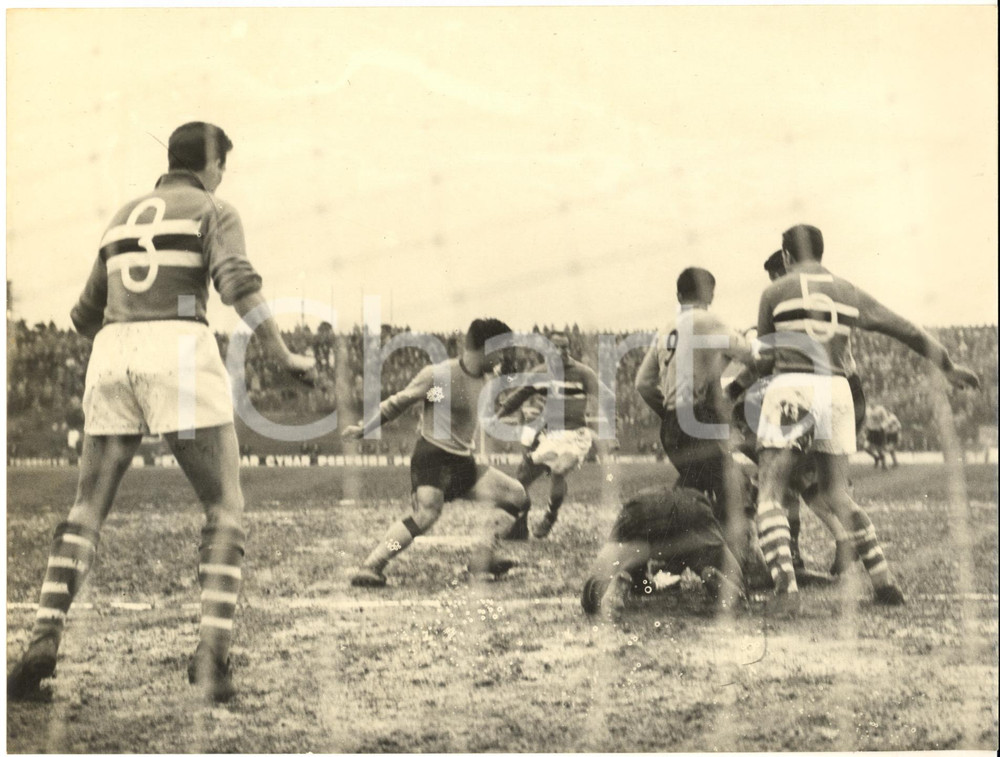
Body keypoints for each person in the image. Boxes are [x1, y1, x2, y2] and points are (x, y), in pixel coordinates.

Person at [6, 122, 316, 704]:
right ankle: (212, 656)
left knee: (85, 509)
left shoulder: (122, 215)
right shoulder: (213, 208)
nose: (223, 175)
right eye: (223, 164)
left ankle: (42, 640)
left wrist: (129, 340)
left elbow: (81, 314)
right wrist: (282, 352)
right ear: (211, 163)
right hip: (179, 346)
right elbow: (236, 284)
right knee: (225, 507)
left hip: (113, 349)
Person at [754, 224, 979, 613]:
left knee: (770, 492)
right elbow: (905, 328)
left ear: (787, 257)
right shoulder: (848, 291)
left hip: (793, 386)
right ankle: (884, 583)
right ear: (821, 253)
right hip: (838, 390)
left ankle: (786, 591)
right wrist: (948, 364)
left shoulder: (774, 291)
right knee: (836, 493)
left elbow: (763, 356)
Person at [344, 318, 529, 587]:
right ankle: (373, 564)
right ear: (487, 348)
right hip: (433, 457)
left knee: (516, 495)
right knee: (426, 514)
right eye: (501, 350)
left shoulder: (489, 380)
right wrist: (365, 427)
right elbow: (398, 403)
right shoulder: (440, 375)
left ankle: (485, 556)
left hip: (463, 461)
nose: (504, 357)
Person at [634, 267, 753, 525]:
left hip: (671, 426)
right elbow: (749, 354)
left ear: (679, 296)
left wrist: (669, 412)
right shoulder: (707, 321)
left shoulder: (665, 329)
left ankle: (663, 550)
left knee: (693, 487)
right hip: (696, 420)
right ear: (710, 295)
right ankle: (728, 557)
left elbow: (643, 384)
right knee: (734, 488)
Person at [580, 485, 765, 620]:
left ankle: (608, 587)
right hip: (693, 509)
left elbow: (646, 581)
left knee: (593, 586)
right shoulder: (701, 498)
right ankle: (723, 581)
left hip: (641, 508)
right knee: (734, 578)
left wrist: (643, 582)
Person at [493, 331, 609, 539]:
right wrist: (498, 415)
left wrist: (612, 434)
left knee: (558, 469)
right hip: (551, 436)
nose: (563, 351)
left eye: (566, 347)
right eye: (558, 347)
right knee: (521, 479)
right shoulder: (541, 373)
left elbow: (607, 399)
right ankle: (520, 526)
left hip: (576, 436)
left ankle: (550, 515)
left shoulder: (583, 373)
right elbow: (518, 396)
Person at [862, 405, 889, 469]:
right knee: (866, 447)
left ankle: (884, 464)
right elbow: (867, 420)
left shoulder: (880, 409)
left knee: (879, 449)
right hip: (871, 432)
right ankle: (876, 457)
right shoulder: (867, 409)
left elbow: (886, 419)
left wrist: (882, 427)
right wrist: (865, 428)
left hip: (878, 431)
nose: (871, 400)